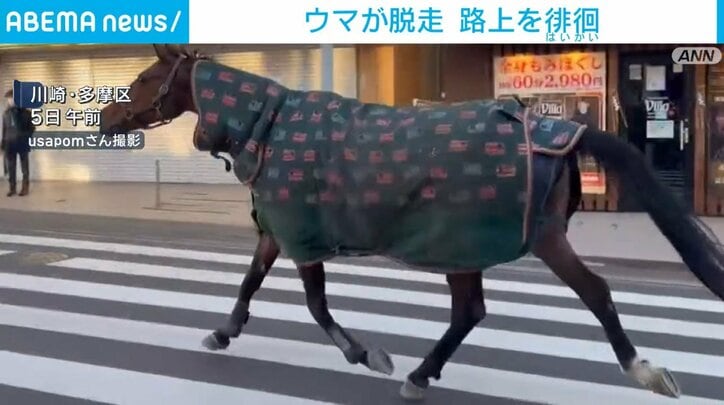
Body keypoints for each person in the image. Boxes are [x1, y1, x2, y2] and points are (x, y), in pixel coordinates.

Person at [1, 89, 35, 197]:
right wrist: (3, 145)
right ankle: (12, 188)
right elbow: (4, 130)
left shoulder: (26, 113)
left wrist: (25, 137)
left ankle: (25, 188)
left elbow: (32, 128)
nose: (10, 101)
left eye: (12, 98)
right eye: (8, 99)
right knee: (11, 167)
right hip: (9, 144)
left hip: (22, 143)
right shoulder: (6, 114)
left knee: (24, 167)